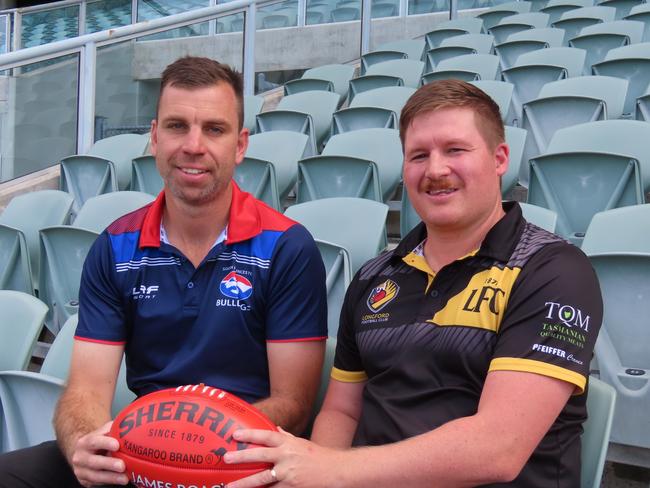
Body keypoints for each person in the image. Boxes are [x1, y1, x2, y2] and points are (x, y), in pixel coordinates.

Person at [224, 79, 603, 488]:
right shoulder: (374, 277)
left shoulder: (552, 270)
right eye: (418, 155)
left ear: (499, 158)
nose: (436, 170)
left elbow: (498, 448)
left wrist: (333, 469)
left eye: (455, 150)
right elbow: (342, 413)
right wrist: (321, 470)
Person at [0, 56, 327, 488]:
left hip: (245, 462)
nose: (194, 145)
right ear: (154, 137)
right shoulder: (115, 247)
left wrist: (194, 452)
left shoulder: (287, 246)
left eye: (214, 129)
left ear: (241, 144)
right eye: (176, 126)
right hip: (142, 453)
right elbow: (85, 391)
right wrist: (85, 444)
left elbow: (293, 403)